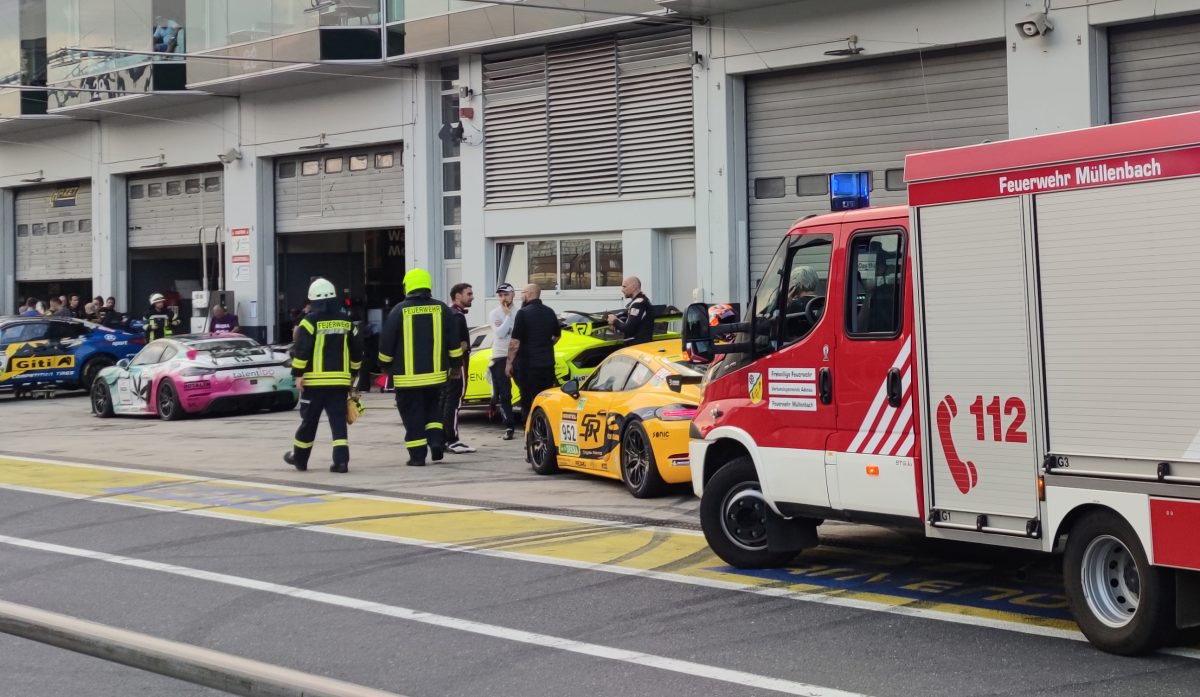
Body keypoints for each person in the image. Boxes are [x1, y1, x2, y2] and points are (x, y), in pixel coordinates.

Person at [378, 268, 461, 467]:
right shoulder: (442, 309)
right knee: (433, 411)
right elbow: (454, 343)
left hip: (407, 379)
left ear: (408, 286)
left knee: (412, 415)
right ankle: (436, 443)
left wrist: (385, 365)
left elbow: (386, 344)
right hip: (436, 377)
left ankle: (417, 456)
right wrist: (455, 366)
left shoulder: (398, 310)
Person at [283, 278, 363, 474]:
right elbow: (357, 352)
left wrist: (298, 374)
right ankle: (341, 462)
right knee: (338, 423)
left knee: (309, 422)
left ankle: (300, 459)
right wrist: (352, 375)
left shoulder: (309, 322)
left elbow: (302, 351)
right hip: (339, 383)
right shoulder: (347, 322)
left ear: (313, 300)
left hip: (314, 384)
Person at [506, 284, 560, 431]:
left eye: (522, 293)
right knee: (545, 399)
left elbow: (515, 343)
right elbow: (557, 335)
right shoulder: (550, 312)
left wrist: (509, 363)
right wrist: (546, 345)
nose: (520, 296)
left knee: (527, 400)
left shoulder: (523, 313)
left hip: (528, 366)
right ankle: (545, 429)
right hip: (547, 364)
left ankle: (530, 431)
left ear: (528, 294)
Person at [442, 283, 476, 455]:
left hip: (448, 365)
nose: (472, 297)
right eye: (469, 294)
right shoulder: (457, 316)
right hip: (457, 365)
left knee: (447, 401)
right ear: (457, 296)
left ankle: (443, 439)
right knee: (454, 401)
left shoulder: (448, 313)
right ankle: (452, 439)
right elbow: (457, 344)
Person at [489, 283, 518, 440]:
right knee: (504, 394)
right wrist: (507, 317)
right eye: (500, 295)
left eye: (506, 294)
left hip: (517, 354)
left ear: (513, 295)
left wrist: (509, 321)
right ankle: (509, 426)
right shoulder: (495, 313)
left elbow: (517, 332)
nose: (503, 298)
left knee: (525, 389)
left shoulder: (520, 312)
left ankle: (529, 422)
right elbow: (500, 333)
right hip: (500, 355)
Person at [607, 276, 654, 345]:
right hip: (640, 346)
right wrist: (617, 320)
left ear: (634, 287)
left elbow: (629, 328)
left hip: (636, 348)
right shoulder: (643, 300)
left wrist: (614, 321)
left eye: (624, 287)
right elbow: (632, 320)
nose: (622, 290)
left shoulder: (638, 304)